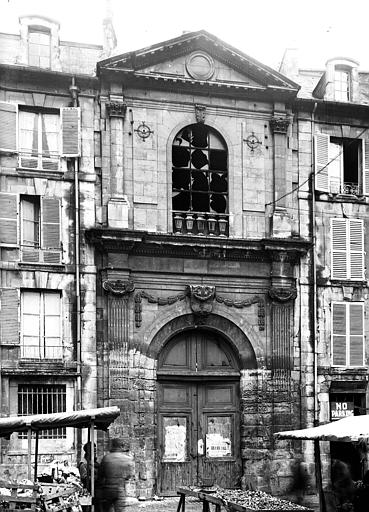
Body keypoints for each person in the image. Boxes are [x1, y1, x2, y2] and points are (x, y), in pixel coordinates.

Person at [97, 438, 134, 512]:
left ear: (112, 446)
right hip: (120, 488)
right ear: (121, 446)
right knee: (120, 509)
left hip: (108, 488)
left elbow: (100, 474)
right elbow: (129, 475)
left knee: (107, 509)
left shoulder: (106, 458)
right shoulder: (127, 459)